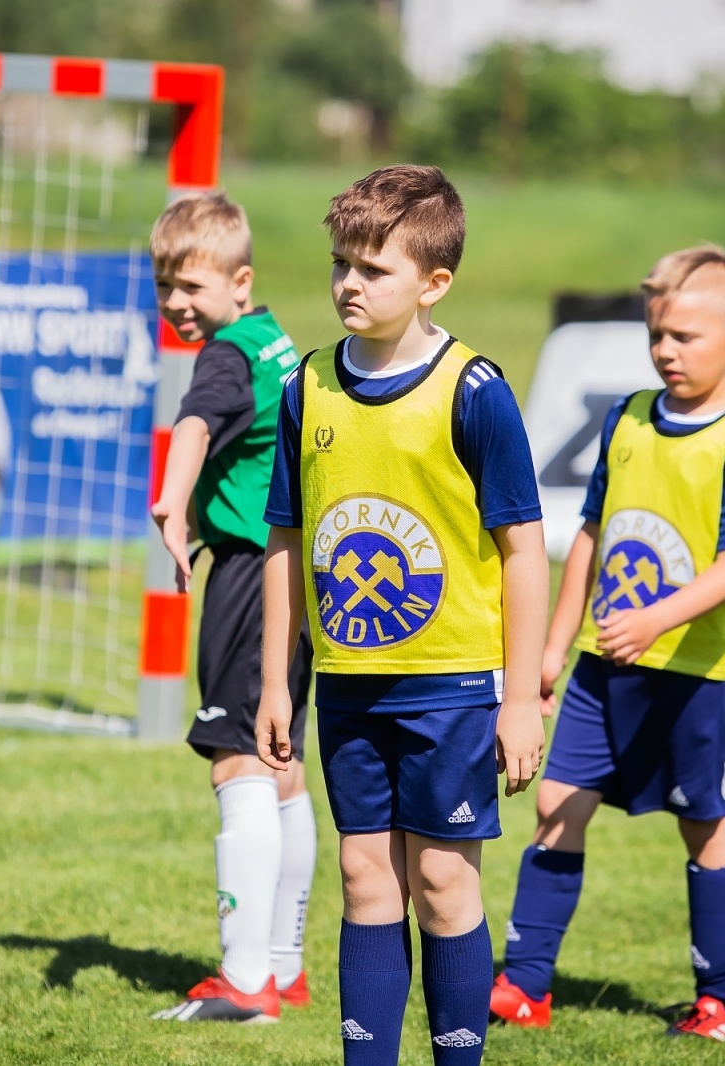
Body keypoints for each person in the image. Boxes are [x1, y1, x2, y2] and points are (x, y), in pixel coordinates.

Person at [256, 165, 548, 1065]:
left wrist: (521, 699)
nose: (349, 283)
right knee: (363, 876)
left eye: (374, 269)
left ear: (433, 282)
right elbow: (285, 539)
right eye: (341, 264)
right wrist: (277, 681)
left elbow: (524, 550)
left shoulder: (473, 391)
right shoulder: (307, 386)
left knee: (444, 880)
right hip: (348, 685)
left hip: (451, 687)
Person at [488, 245, 725, 1042]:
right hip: (603, 661)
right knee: (556, 803)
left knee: (705, 824)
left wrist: (657, 619)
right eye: (656, 334)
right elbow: (589, 534)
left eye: (685, 336)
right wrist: (553, 647)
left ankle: (720, 1001)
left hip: (696, 670)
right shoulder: (627, 416)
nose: (666, 351)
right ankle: (525, 985)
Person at [145, 193, 317, 1025]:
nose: (177, 302)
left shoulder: (224, 355)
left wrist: (172, 504)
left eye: (192, 285)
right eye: (164, 286)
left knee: (237, 761)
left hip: (251, 571)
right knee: (281, 763)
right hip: (298, 572)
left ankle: (246, 981)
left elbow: (192, 427)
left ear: (239, 282)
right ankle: (283, 967)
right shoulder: (272, 336)